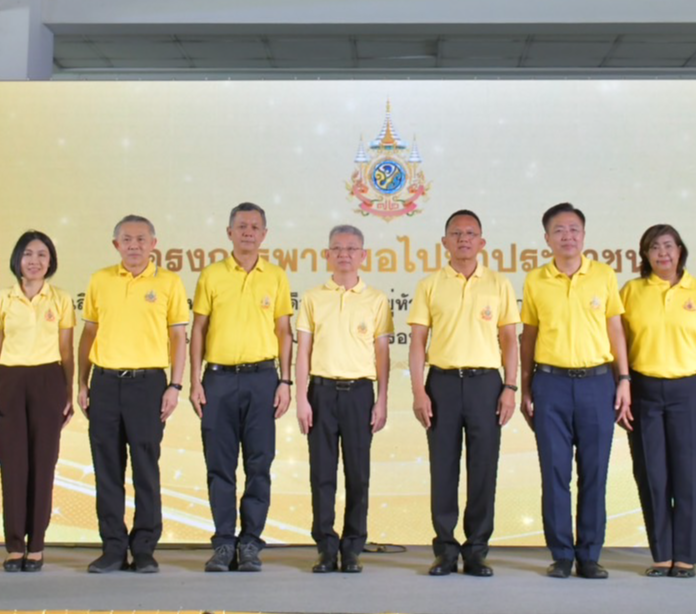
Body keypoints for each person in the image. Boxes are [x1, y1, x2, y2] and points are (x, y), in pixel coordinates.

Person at [408, 209, 520, 578]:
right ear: (445, 242)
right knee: (443, 468)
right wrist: (418, 391)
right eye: (456, 233)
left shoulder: (499, 284)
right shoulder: (430, 284)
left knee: (483, 468)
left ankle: (476, 550)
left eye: (471, 234)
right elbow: (418, 342)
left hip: (486, 384)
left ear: (482, 242)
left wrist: (509, 387)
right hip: (441, 383)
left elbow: (509, 340)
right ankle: (444, 550)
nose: (464, 239)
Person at [520, 202, 629, 579]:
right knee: (554, 471)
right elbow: (529, 335)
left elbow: (616, 329)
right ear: (547, 237)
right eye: (559, 230)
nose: (568, 236)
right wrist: (525, 386)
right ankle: (562, 554)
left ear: (584, 234)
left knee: (595, 471)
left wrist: (624, 379)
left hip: (598, 382)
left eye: (574, 229)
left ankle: (590, 554)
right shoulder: (536, 280)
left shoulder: (603, 275)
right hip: (550, 383)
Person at [78, 216, 189, 575]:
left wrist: (175, 386)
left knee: (145, 467)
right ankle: (112, 547)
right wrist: (82, 383)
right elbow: (89, 333)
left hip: (149, 385)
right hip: (106, 383)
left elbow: (178, 337)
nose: (134, 246)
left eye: (142, 239)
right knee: (107, 468)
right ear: (116, 245)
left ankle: (144, 548)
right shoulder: (100, 280)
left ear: (154, 243)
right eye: (127, 239)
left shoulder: (169, 282)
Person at [189, 202, 293, 573]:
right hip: (217, 380)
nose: (248, 232)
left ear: (264, 234)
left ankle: (250, 542)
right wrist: (195, 380)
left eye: (255, 227)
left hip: (263, 379)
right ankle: (222, 543)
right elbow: (198, 328)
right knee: (219, 465)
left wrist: (285, 380)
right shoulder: (212, 275)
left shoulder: (276, 276)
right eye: (241, 226)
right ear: (229, 232)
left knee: (259, 463)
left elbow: (284, 332)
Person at [618, 224, 696, 579]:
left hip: (691, 392)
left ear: (680, 250)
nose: (662, 253)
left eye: (668, 246)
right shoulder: (632, 291)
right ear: (645, 255)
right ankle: (662, 554)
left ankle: (686, 556)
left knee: (690, 474)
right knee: (653, 474)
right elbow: (619, 344)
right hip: (645, 390)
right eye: (654, 248)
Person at [295, 225, 394, 574]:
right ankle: (325, 546)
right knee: (321, 474)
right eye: (337, 248)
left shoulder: (377, 299)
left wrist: (382, 400)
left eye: (352, 248)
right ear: (327, 255)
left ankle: (352, 548)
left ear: (363, 255)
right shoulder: (312, 297)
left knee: (358, 474)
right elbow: (303, 351)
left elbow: (382, 354)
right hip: (320, 393)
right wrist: (301, 399)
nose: (344, 254)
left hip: (360, 394)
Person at [0, 231, 75, 573]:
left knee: (43, 464)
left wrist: (69, 390)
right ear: (17, 260)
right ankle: (14, 546)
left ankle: (36, 545)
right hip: (9, 381)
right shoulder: (2, 299)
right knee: (13, 465)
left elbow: (66, 351)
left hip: (48, 380)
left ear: (50, 261)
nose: (34, 260)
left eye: (41, 254)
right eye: (27, 254)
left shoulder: (61, 299)